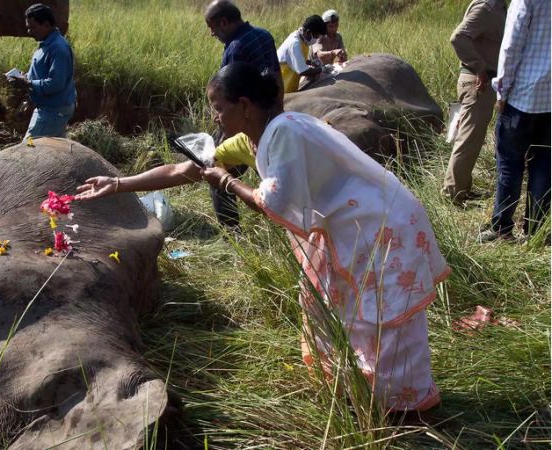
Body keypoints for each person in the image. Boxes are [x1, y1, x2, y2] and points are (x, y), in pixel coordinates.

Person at [75, 63, 450, 412]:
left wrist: (227, 181)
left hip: (380, 227)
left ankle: (408, 409)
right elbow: (186, 169)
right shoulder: (252, 137)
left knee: (383, 317)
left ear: (244, 105)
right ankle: (362, 390)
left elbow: (270, 201)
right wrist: (118, 184)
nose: (214, 117)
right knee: (334, 305)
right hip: (350, 228)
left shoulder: (285, 131)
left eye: (218, 107)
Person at [203, 0, 280, 228]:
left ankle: (231, 230)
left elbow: (231, 95)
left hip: (246, 122)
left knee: (216, 170)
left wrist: (226, 134)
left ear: (224, 22)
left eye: (213, 27)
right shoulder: (263, 35)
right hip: (268, 112)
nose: (212, 33)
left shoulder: (236, 47)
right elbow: (275, 76)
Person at [479, 0, 550, 243]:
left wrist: (502, 91)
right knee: (544, 165)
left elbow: (511, 47)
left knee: (510, 163)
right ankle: (536, 231)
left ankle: (502, 229)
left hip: (522, 97)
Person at [443, 0, 505, 206]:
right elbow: (458, 37)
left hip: (483, 82)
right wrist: (479, 67)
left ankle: (462, 188)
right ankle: (453, 194)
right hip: (478, 83)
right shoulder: (487, 8)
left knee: (472, 138)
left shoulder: (497, 7)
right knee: (468, 139)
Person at [8, 3, 76, 140]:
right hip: (51, 108)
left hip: (53, 110)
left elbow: (56, 83)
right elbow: (43, 73)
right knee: (54, 151)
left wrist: (29, 83)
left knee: (29, 150)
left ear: (46, 24)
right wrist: (25, 77)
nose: (29, 32)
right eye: (28, 27)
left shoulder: (58, 48)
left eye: (32, 27)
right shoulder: (47, 43)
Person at [277, 15, 327, 93]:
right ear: (308, 32)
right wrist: (322, 69)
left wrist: (311, 62)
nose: (316, 40)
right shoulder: (294, 43)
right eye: (316, 37)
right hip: (282, 89)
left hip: (291, 87)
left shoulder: (303, 40)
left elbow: (294, 60)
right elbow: (304, 71)